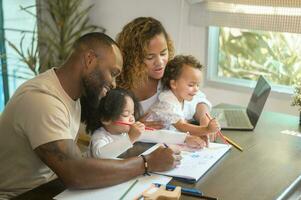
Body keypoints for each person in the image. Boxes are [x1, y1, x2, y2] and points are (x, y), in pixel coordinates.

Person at [0, 32, 180, 199]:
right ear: (89, 59)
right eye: (113, 73)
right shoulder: (41, 100)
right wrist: (147, 163)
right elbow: (75, 173)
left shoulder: (72, 96)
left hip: (52, 188)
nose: (114, 84)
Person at [116, 17, 212, 129]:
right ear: (133, 58)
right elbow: (105, 129)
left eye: (163, 53)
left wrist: (204, 117)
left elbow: (198, 98)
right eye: (150, 57)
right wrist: (131, 128)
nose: (160, 63)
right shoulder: (119, 87)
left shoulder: (171, 75)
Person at [83, 88, 206, 159]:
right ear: (106, 119)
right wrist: (131, 138)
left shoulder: (126, 131)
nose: (132, 119)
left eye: (132, 114)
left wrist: (186, 138)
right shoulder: (100, 136)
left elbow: (158, 135)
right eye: (126, 115)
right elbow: (100, 155)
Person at [147, 55, 220, 138]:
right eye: (191, 85)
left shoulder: (186, 95)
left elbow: (201, 99)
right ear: (174, 84)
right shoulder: (167, 101)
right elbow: (182, 126)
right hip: (148, 141)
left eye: (198, 85)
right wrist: (206, 129)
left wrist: (204, 121)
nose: (196, 89)